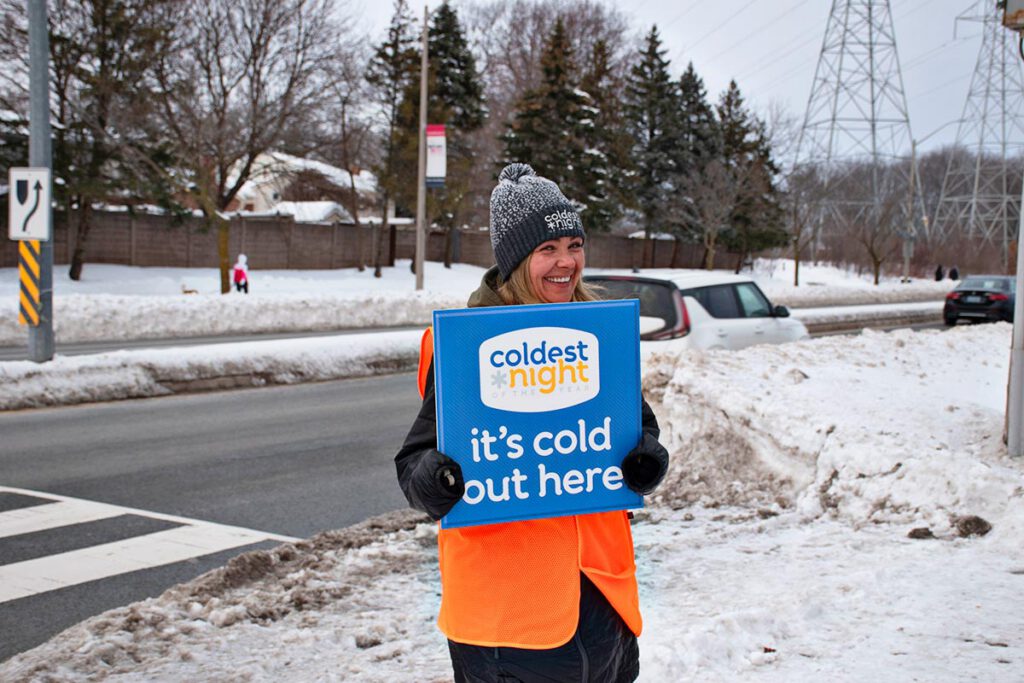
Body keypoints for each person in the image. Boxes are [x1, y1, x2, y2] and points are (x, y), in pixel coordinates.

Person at [395, 163, 670, 683]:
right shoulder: (464, 348)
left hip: (603, 604)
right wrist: (437, 480)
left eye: (573, 243)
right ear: (516, 260)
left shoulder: (599, 333)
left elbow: (639, 434)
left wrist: (645, 462)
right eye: (548, 249)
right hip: (509, 622)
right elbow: (414, 466)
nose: (566, 261)